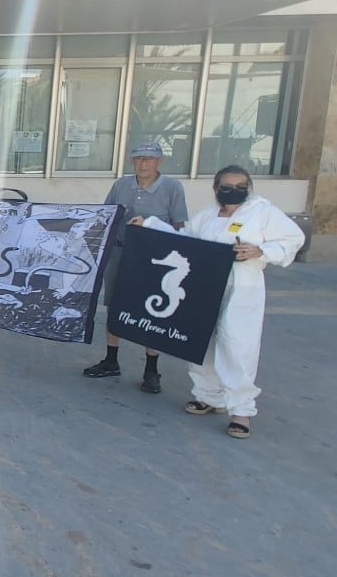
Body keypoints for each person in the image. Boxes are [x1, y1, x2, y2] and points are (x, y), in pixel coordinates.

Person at [145, 166, 303, 439]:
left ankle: (241, 410)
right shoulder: (207, 216)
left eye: (240, 185)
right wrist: (149, 225)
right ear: (217, 189)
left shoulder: (262, 212)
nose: (233, 190)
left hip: (241, 288)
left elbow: (293, 238)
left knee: (237, 345)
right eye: (227, 186)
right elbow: (184, 241)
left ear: (249, 187)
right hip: (204, 286)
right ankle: (208, 395)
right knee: (201, 340)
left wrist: (261, 251)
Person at [83, 141, 188, 394]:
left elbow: (180, 227)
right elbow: (106, 216)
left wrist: (150, 225)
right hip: (120, 252)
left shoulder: (172, 188)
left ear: (159, 162)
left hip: (154, 259)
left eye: (149, 159)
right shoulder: (121, 185)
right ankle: (111, 359)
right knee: (114, 306)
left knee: (151, 312)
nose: (143, 163)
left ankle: (151, 369)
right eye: (139, 158)